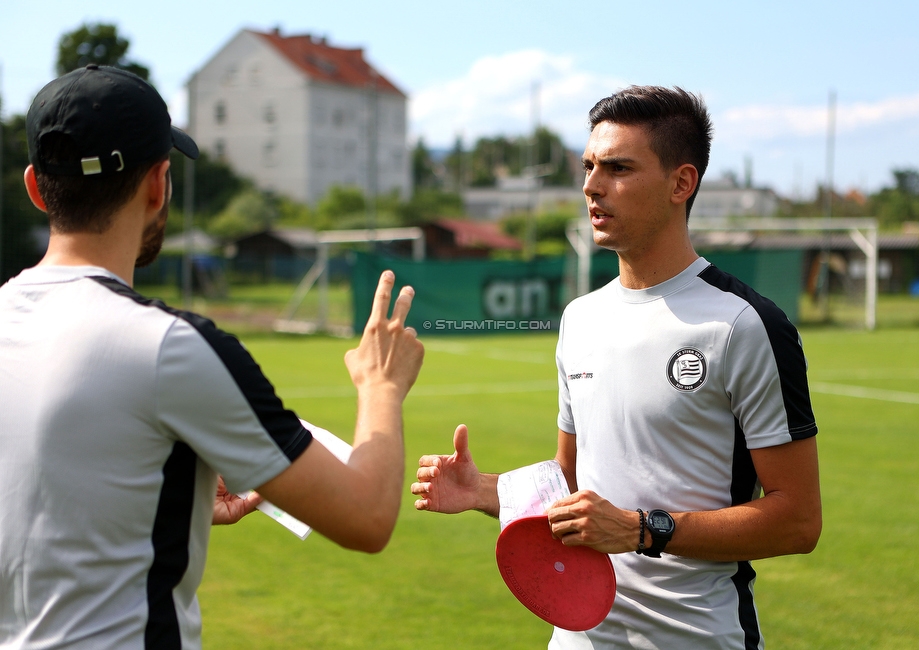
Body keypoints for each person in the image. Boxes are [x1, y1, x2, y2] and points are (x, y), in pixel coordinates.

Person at [0, 64, 424, 649]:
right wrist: (381, 385)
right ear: (158, 184)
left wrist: (159, 486)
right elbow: (367, 517)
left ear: (34, 186)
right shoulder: (173, 347)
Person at [411, 86, 821, 649]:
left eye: (618, 168)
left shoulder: (744, 325)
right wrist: (489, 492)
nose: (591, 186)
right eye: (588, 166)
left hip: (696, 635)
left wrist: (638, 530)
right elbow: (574, 484)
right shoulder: (580, 317)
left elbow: (798, 520)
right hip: (579, 632)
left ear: (682, 183)